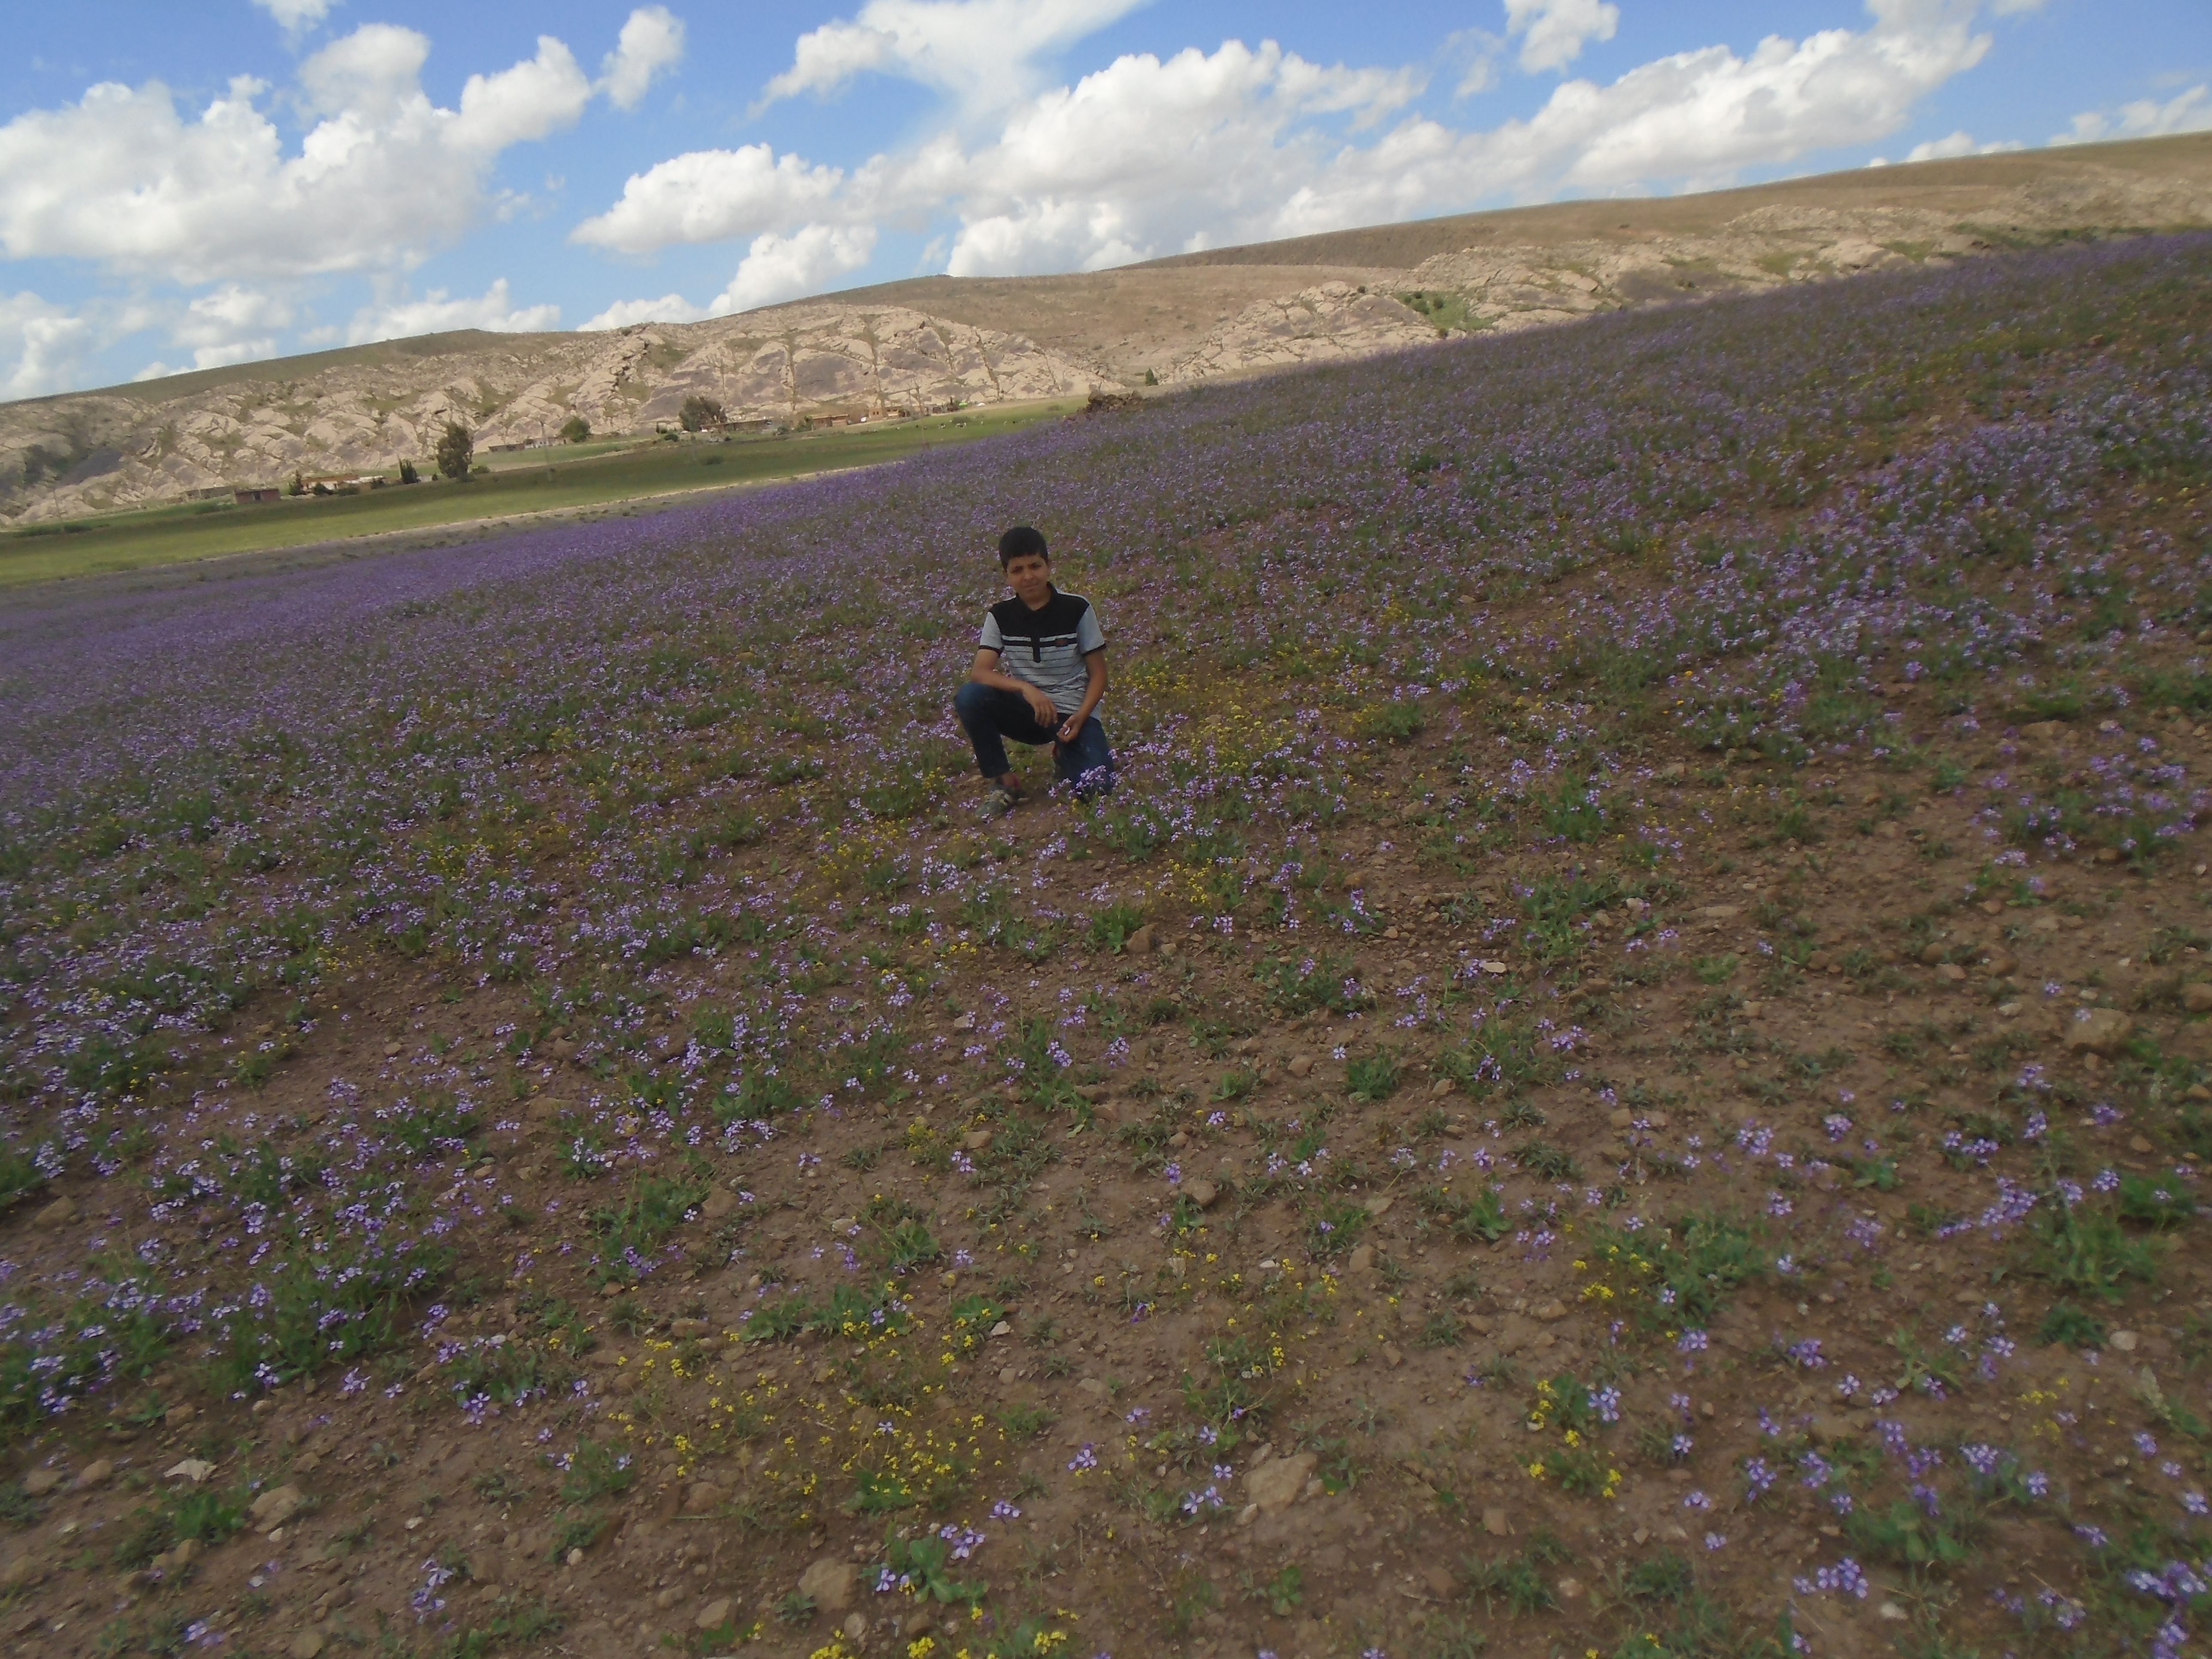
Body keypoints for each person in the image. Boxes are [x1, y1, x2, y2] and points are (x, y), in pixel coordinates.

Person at [953, 525, 1115, 806]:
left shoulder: (1077, 609)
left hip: (1072, 714)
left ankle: (1064, 755)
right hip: (1029, 712)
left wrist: (1083, 715)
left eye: (1035, 566)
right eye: (1017, 570)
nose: (1028, 577)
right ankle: (1005, 781)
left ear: (1049, 567)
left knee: (1096, 790)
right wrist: (1025, 688)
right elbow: (980, 672)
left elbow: (1099, 675)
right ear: (1007, 575)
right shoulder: (1000, 615)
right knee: (970, 697)